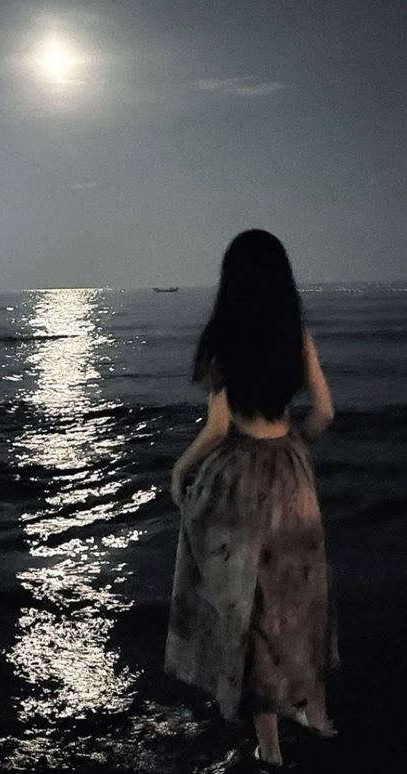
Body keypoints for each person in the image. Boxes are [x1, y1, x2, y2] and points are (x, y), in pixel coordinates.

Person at [164, 229, 340, 770]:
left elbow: (219, 427)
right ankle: (317, 715)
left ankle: (270, 745)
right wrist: (296, 445)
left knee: (252, 607)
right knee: (302, 598)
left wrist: (181, 466)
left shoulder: (224, 339)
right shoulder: (296, 333)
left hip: (241, 482)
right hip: (292, 476)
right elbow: (326, 413)